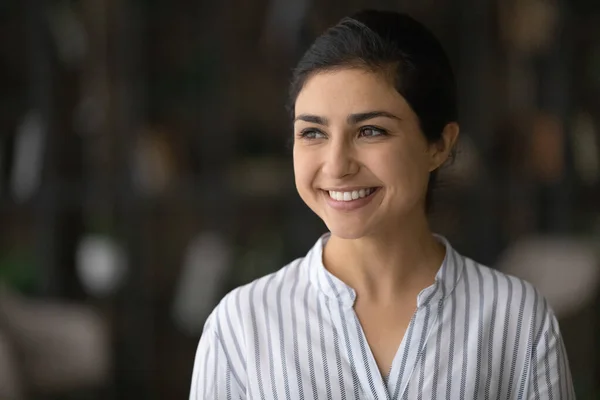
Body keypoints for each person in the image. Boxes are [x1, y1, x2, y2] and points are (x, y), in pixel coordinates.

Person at [190, 9, 574, 399]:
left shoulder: (517, 319)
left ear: (439, 145)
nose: (337, 165)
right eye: (313, 132)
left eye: (370, 131)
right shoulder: (241, 326)